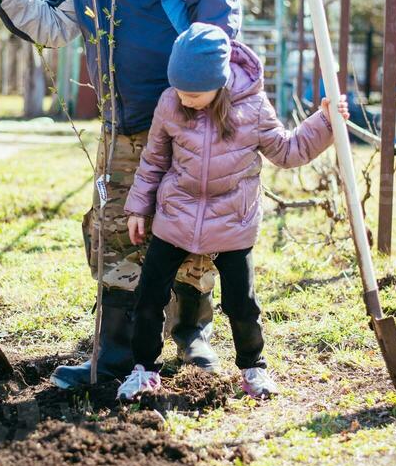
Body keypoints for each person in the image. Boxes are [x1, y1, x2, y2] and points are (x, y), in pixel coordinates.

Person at [0, 0, 241, 387]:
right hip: (121, 126)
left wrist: (206, 99)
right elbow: (52, 27)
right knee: (116, 231)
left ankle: (190, 335)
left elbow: (219, 17)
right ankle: (112, 356)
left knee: (197, 227)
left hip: (190, 121)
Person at [116, 23, 350, 402]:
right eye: (180, 89)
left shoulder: (253, 109)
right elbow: (154, 160)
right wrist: (139, 207)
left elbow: (289, 151)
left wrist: (324, 121)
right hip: (176, 216)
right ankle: (143, 370)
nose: (185, 98)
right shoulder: (170, 103)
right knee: (149, 297)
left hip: (233, 221)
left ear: (219, 82)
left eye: (194, 92)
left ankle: (253, 368)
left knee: (242, 304)